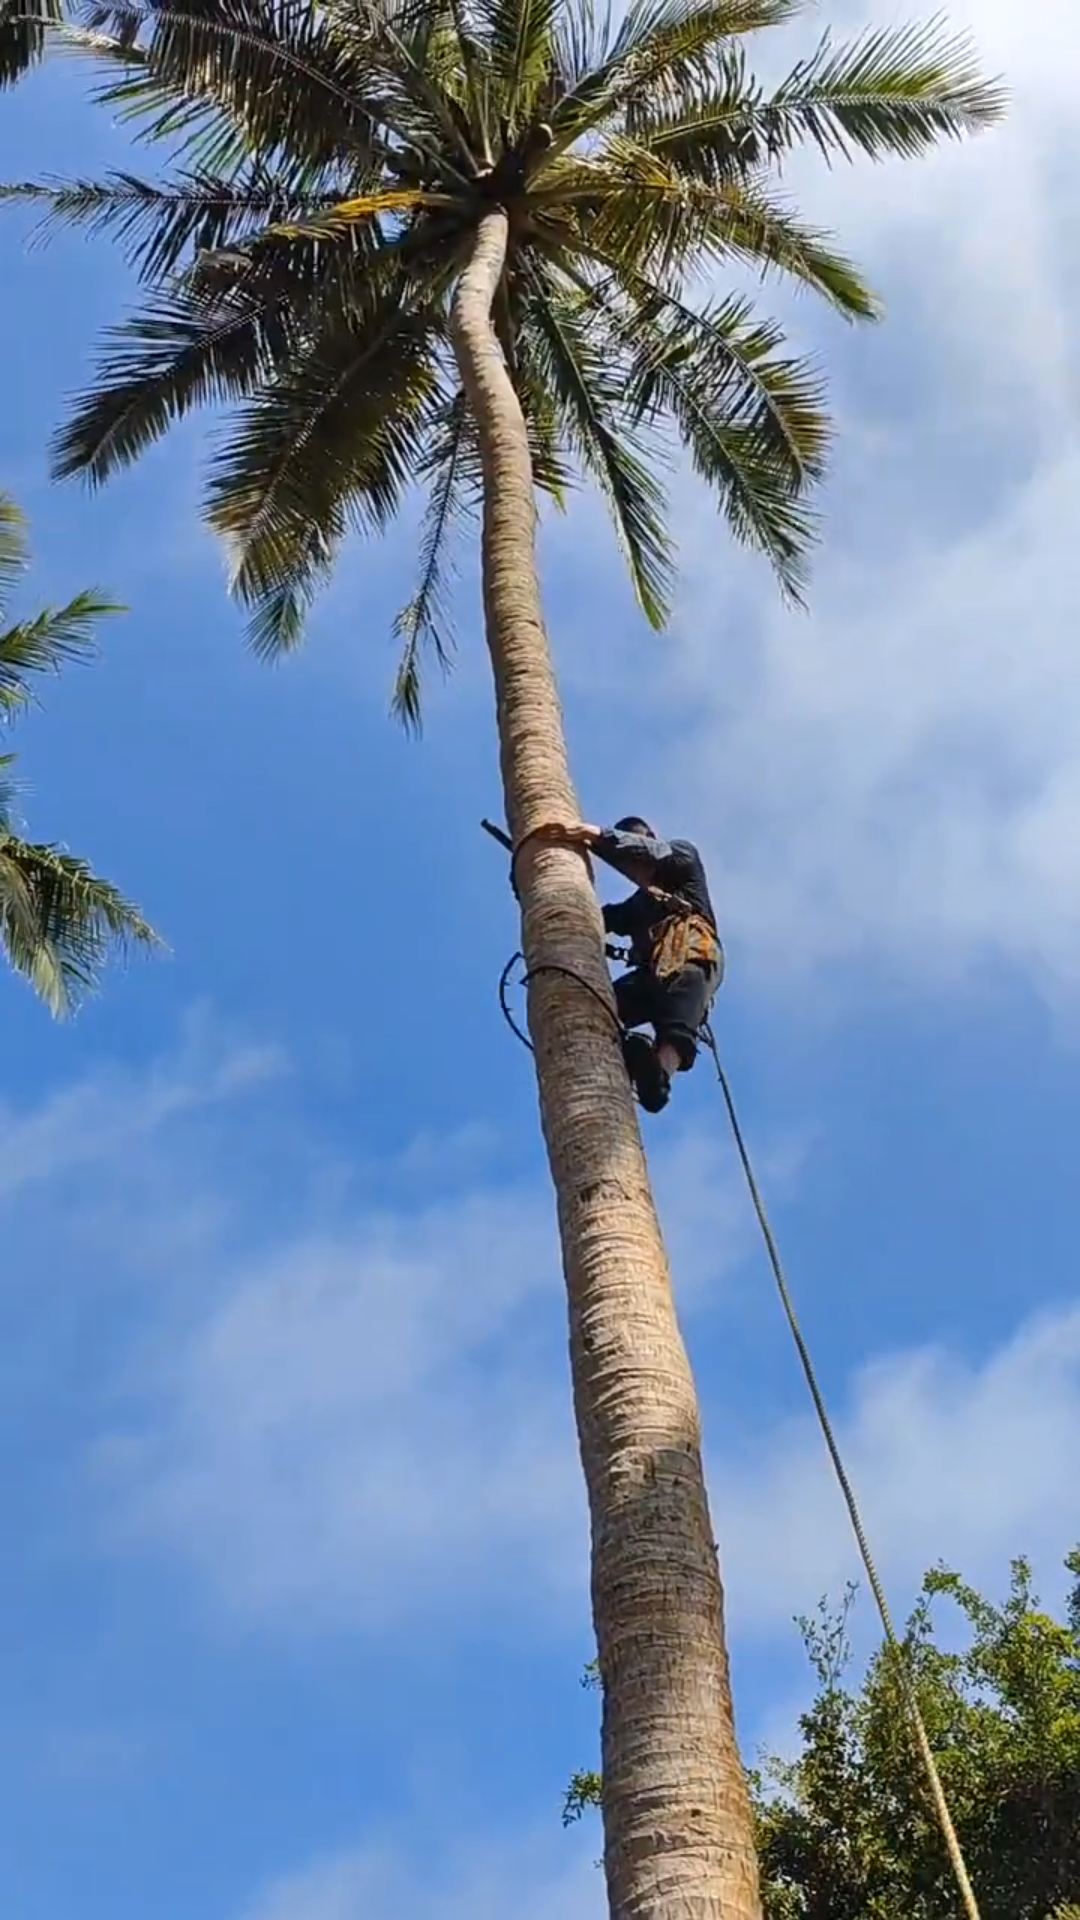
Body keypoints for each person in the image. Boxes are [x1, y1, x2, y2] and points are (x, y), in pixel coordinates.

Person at [556, 816, 723, 1113]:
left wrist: (595, 835)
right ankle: (629, 1055)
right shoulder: (639, 906)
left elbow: (648, 852)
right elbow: (597, 917)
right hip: (649, 974)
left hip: (690, 951)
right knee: (601, 1003)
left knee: (678, 1016)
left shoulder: (682, 858)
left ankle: (658, 1076)